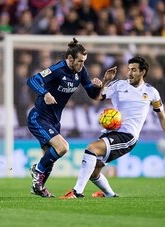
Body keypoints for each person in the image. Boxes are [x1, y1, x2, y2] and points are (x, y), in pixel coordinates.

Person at [60, 56, 165, 199]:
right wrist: (105, 80)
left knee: (91, 149)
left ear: (143, 72)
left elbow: (162, 118)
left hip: (128, 136)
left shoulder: (151, 92)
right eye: (129, 69)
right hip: (111, 132)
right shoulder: (118, 85)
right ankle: (110, 195)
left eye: (134, 70)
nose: (130, 73)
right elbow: (97, 97)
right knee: (94, 172)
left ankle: (76, 192)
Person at [27, 37, 117, 197]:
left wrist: (102, 83)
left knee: (49, 158)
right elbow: (32, 80)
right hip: (39, 117)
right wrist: (45, 93)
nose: (83, 64)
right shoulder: (57, 69)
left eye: (84, 61)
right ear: (70, 59)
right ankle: (37, 170)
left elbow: (92, 94)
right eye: (80, 61)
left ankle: (38, 188)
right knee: (62, 148)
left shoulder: (81, 71)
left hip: (54, 120)